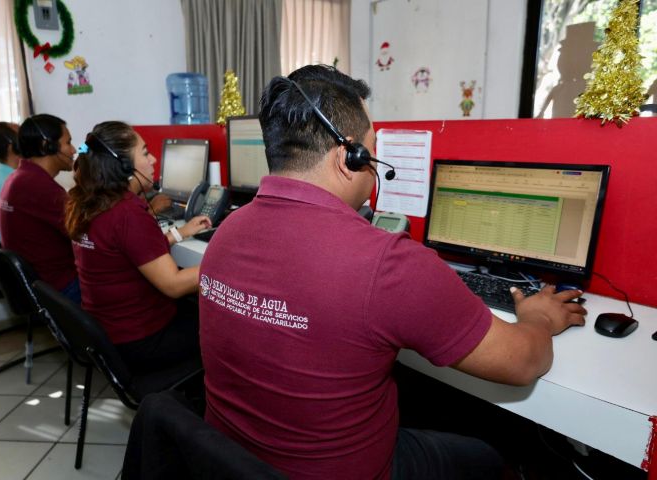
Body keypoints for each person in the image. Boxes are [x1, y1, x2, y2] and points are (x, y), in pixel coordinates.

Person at [198, 65, 587, 479]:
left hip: (231, 463)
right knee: (489, 455)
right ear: (348, 158)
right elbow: (523, 364)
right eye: (371, 151)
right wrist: (539, 318)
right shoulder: (385, 263)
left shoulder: (226, 232)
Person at [65, 121, 211, 372]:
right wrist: (225, 263)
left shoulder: (88, 203)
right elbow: (174, 285)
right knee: (220, 321)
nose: (153, 159)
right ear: (124, 166)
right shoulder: (126, 213)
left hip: (107, 336)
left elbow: (130, 252)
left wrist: (179, 233)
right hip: (141, 341)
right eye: (145, 153)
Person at [0, 114, 81, 303]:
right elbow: (88, 233)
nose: (74, 150)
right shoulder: (38, 187)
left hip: (39, 284)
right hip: (60, 288)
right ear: (47, 146)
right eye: (68, 143)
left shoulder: (18, 178)